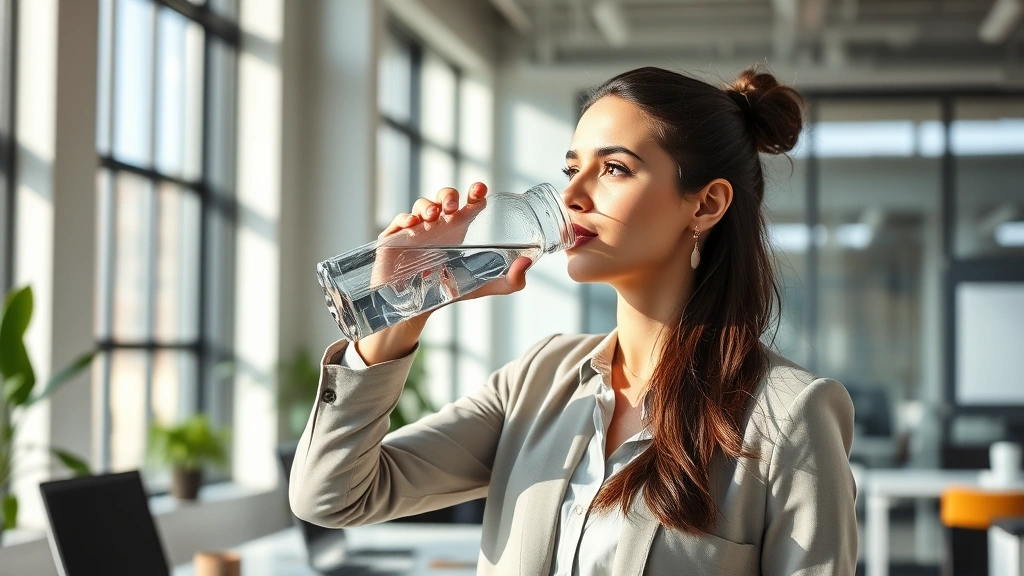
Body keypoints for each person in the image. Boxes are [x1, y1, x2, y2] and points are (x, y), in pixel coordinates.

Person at [290, 66, 857, 576]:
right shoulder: (539, 381)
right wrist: (401, 311)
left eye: (614, 168)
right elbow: (333, 496)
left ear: (705, 205)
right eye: (570, 167)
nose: (572, 195)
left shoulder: (789, 416)